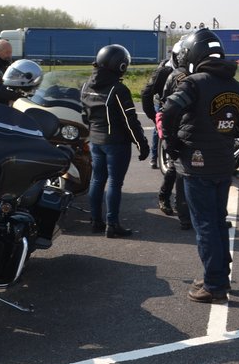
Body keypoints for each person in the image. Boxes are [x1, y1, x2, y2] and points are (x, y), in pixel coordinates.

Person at [161, 28, 239, 303]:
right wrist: (224, 130)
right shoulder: (238, 87)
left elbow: (168, 110)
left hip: (196, 164)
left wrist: (172, 143)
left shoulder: (194, 83)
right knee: (217, 221)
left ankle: (213, 285)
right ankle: (219, 276)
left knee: (205, 225)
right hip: (223, 164)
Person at [81, 44, 150, 238]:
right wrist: (142, 144)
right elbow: (130, 121)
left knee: (96, 180)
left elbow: (84, 115)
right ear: (121, 65)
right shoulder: (118, 89)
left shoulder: (86, 85)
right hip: (115, 143)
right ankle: (112, 224)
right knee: (114, 183)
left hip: (95, 140)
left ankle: (95, 221)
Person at [158, 36, 192, 228]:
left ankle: (189, 210)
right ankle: (164, 197)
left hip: (192, 127)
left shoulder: (200, 75)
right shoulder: (174, 75)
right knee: (175, 167)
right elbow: (165, 102)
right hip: (178, 127)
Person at [142, 46, 180, 168]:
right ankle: (154, 157)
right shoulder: (163, 71)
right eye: (179, 57)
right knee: (159, 127)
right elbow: (147, 92)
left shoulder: (191, 70)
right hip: (162, 102)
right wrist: (153, 116)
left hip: (179, 103)